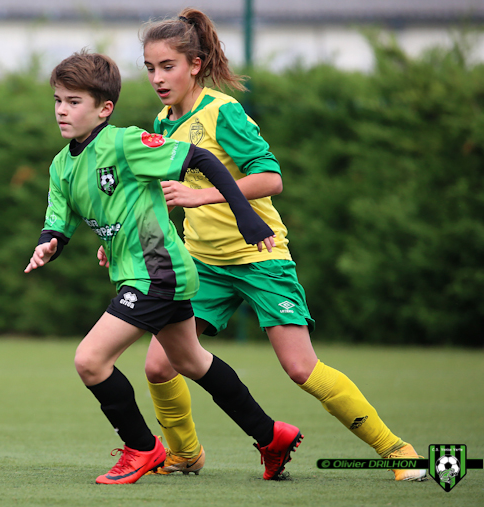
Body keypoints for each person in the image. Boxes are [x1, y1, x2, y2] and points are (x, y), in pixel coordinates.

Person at [100, 7, 426, 481]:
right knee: (158, 366)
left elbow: (271, 179)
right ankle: (185, 454)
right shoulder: (163, 121)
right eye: (150, 68)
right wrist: (124, 235)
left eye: (167, 66)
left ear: (195, 64)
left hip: (260, 256)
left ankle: (397, 450)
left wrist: (202, 195)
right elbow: (160, 193)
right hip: (203, 264)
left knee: (300, 368)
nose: (157, 78)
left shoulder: (223, 112)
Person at [25, 50, 303, 484]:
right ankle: (272, 436)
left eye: (74, 102)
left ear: (104, 108)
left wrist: (245, 214)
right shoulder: (61, 166)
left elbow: (201, 158)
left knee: (90, 360)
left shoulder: (124, 142)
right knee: (191, 361)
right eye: (58, 100)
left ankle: (142, 448)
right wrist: (48, 245)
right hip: (146, 274)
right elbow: (58, 224)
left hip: (157, 272)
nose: (62, 110)